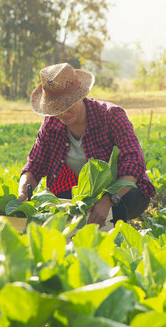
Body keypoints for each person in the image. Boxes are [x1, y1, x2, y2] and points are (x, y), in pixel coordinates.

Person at [18, 63, 156, 227]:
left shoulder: (111, 116)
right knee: (59, 204)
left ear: (80, 97)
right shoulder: (50, 125)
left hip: (124, 193)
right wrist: (22, 194)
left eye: (67, 105)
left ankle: (117, 236)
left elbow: (134, 161)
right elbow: (35, 165)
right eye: (56, 108)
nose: (63, 113)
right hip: (81, 194)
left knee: (121, 205)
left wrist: (108, 199)